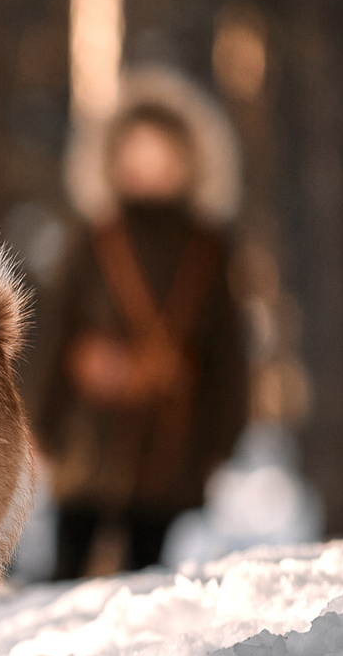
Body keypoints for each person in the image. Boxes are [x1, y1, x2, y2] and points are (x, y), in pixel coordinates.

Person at [39, 68, 249, 579]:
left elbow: (228, 350)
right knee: (68, 567)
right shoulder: (92, 240)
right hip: (88, 440)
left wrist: (221, 439)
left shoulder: (207, 249)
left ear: (190, 158)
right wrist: (40, 424)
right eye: (138, 152)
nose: (150, 166)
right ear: (114, 156)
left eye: (162, 154)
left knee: (144, 576)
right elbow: (51, 333)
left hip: (171, 442)